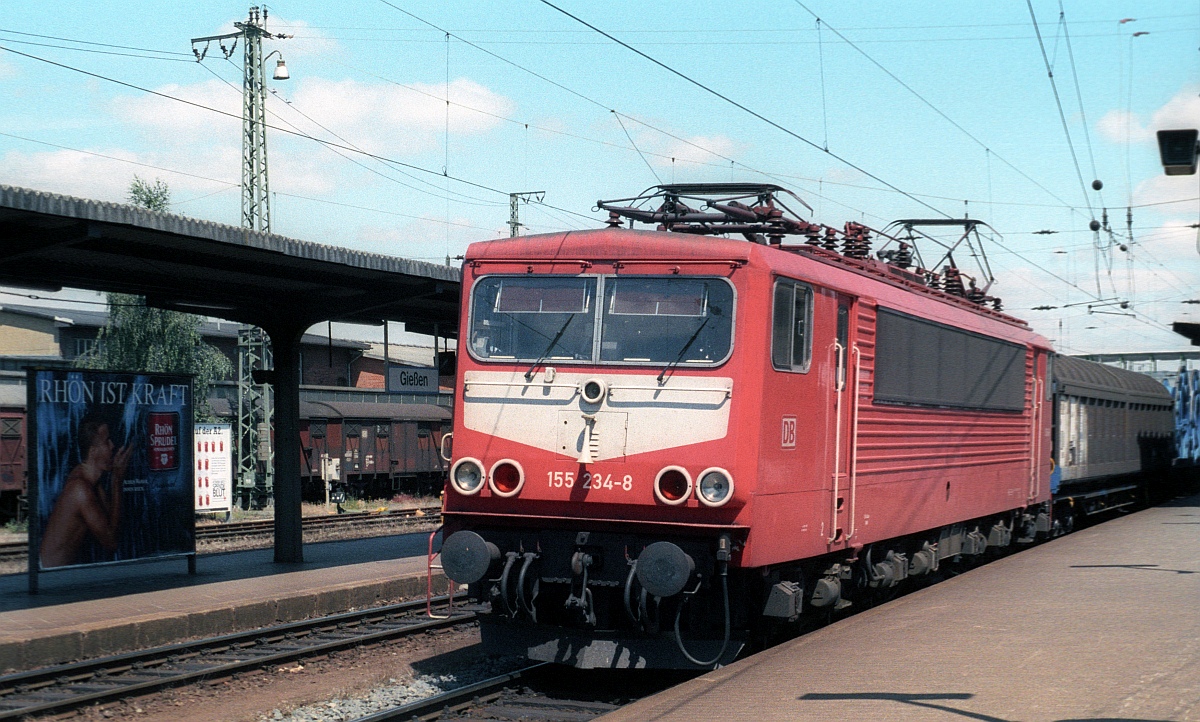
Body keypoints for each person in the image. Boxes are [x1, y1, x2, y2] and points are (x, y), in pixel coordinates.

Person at [39, 416, 131, 568]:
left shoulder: (88, 479)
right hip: (51, 574)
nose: (113, 445)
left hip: (58, 571)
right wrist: (116, 481)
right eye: (107, 441)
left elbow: (110, 520)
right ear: (94, 452)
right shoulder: (80, 490)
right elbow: (111, 542)